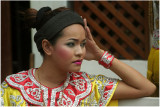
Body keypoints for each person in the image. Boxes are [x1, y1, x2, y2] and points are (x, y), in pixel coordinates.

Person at [1, 7, 156, 106]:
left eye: (82, 44)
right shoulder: (13, 89)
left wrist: (99, 55)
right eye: (71, 44)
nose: (80, 52)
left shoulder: (87, 87)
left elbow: (146, 88)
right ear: (47, 46)